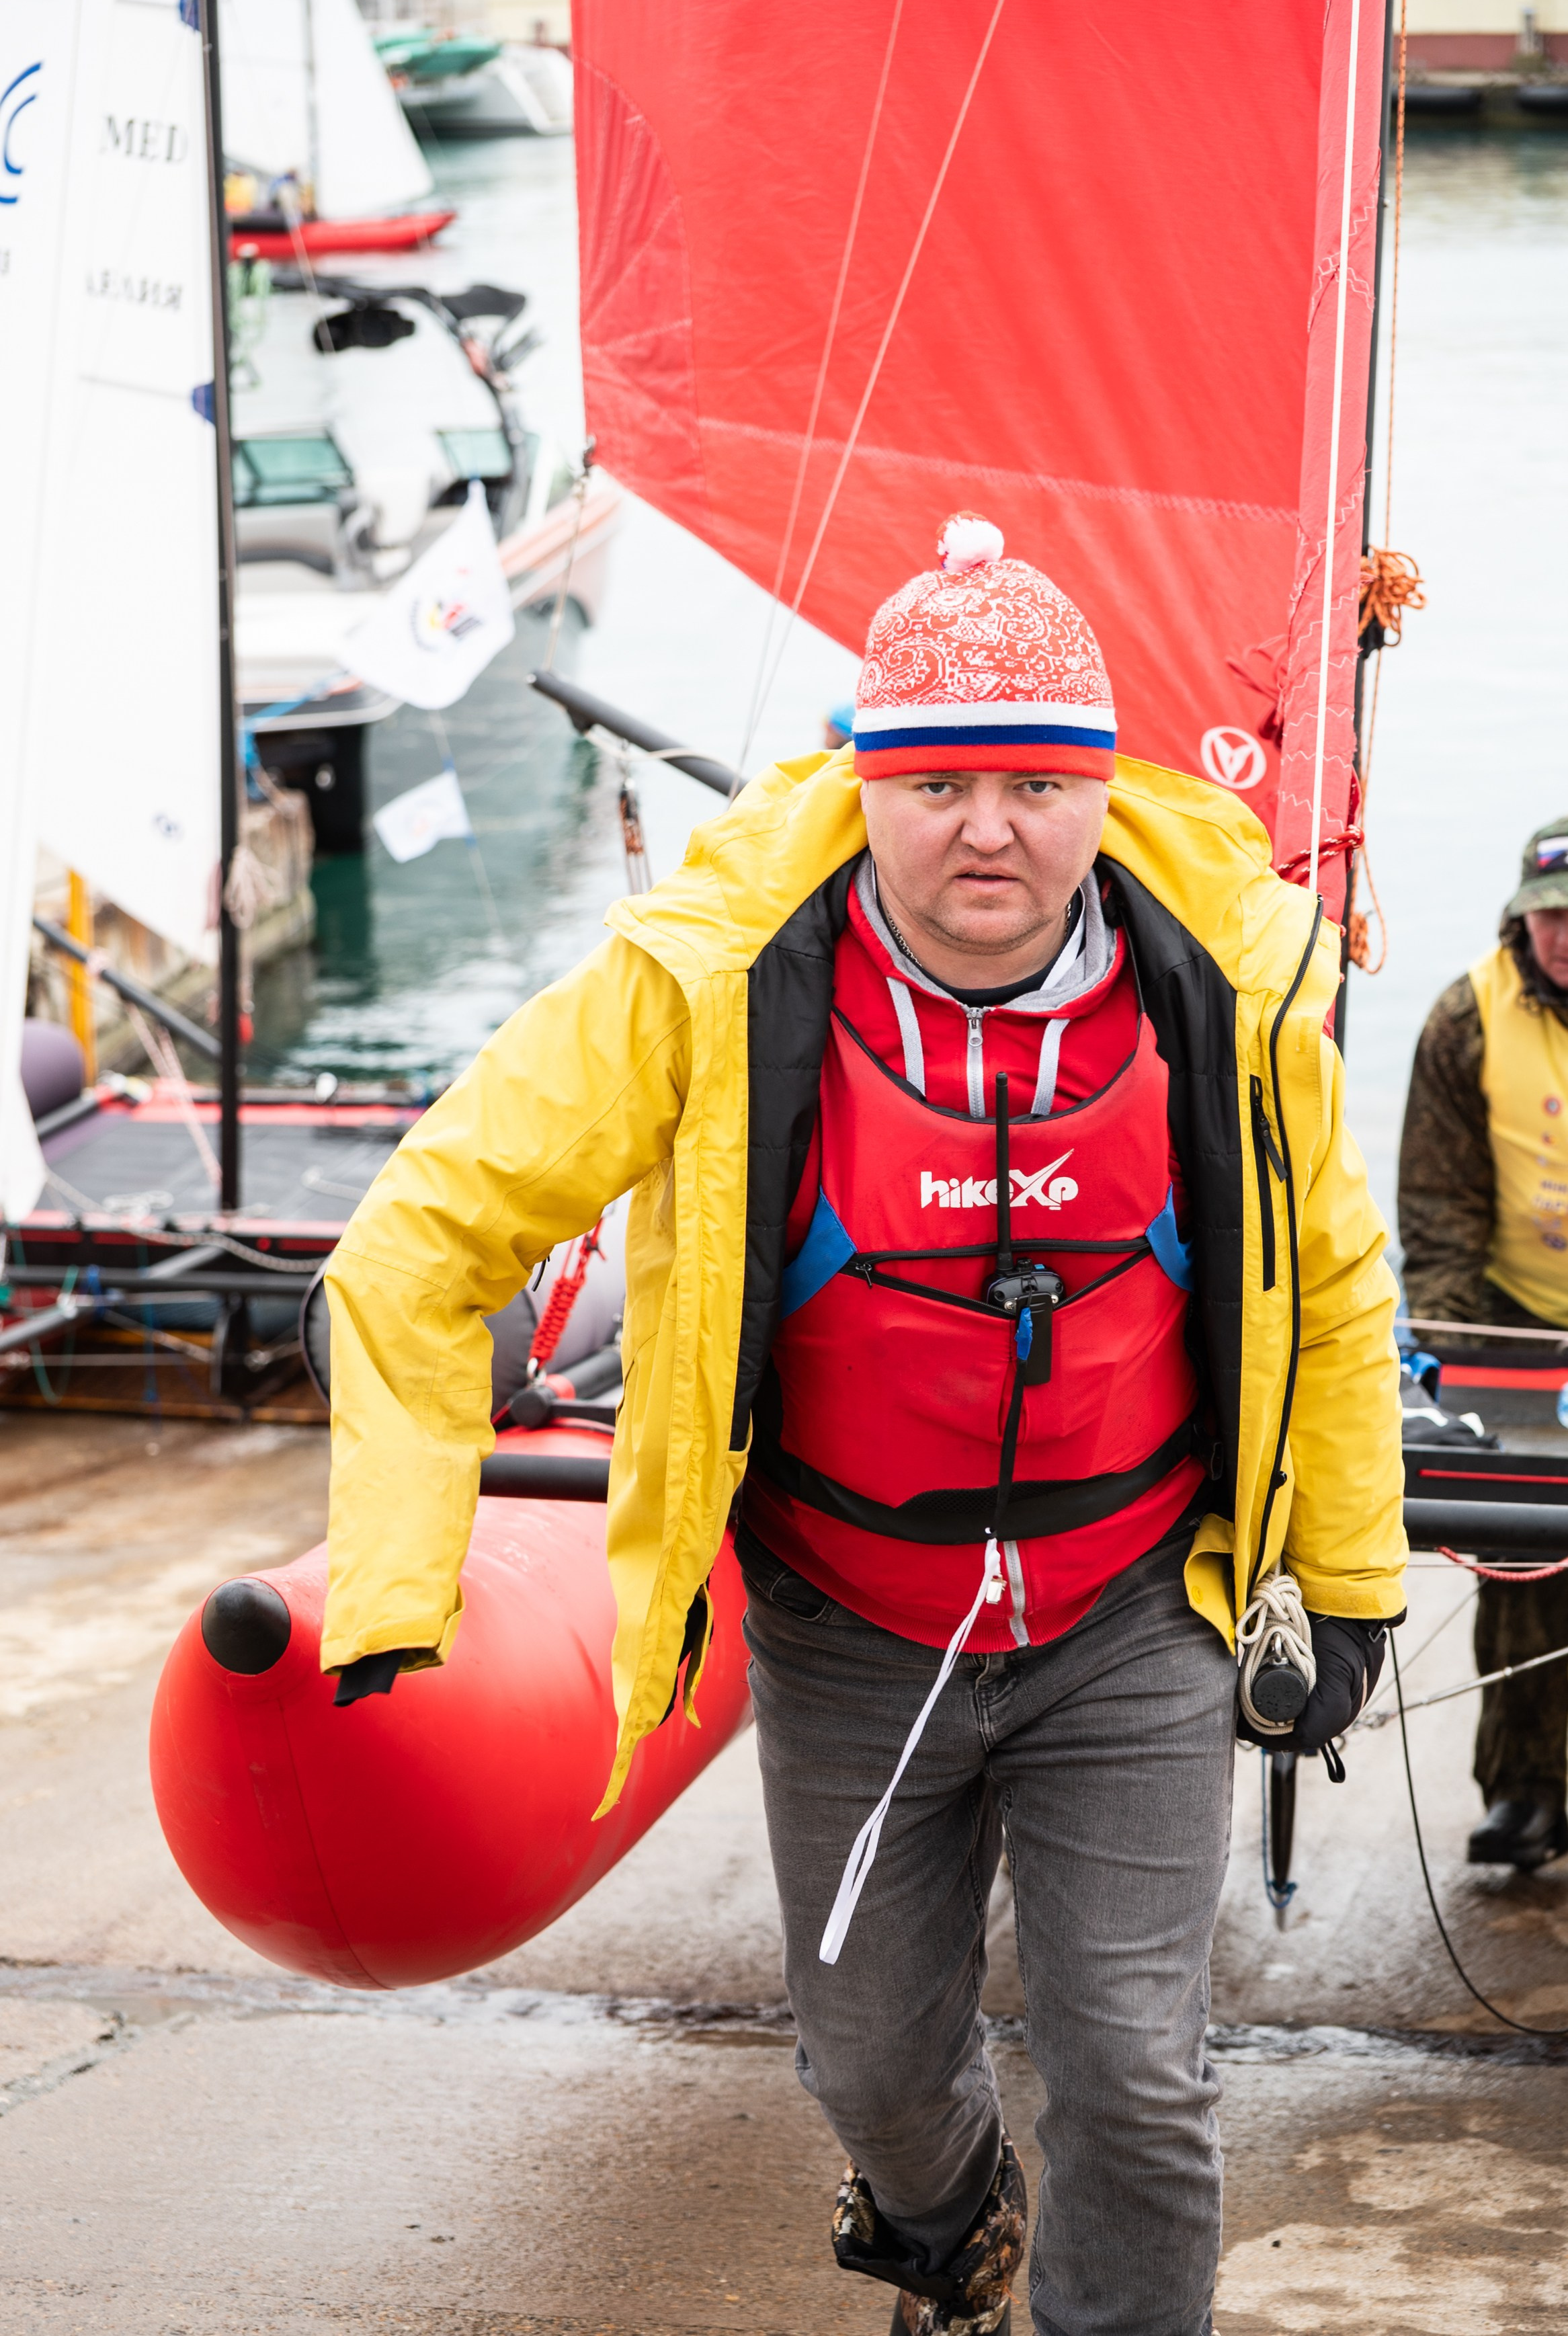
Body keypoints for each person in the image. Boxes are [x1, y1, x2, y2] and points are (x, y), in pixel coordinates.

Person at [321, 518, 1406, 2336]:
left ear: (1102, 787)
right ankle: (946, 2219)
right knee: (869, 2065)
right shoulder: (715, 972)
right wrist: (393, 1578)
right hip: (846, 1620)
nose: (989, 830)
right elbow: (424, 1236)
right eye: (938, 783)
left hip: (1130, 1608)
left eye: (1037, 784)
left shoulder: (1224, 976)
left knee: (1140, 2074)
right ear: (860, 781)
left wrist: (1348, 1585)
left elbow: (1339, 1285)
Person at [1400, 819, 1568, 1874]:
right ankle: (1524, 1792)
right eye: (1553, 917)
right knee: (1525, 1555)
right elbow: (1437, 1214)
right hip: (1514, 1318)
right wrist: (1460, 1363)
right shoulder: (1464, 1016)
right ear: (1520, 917)